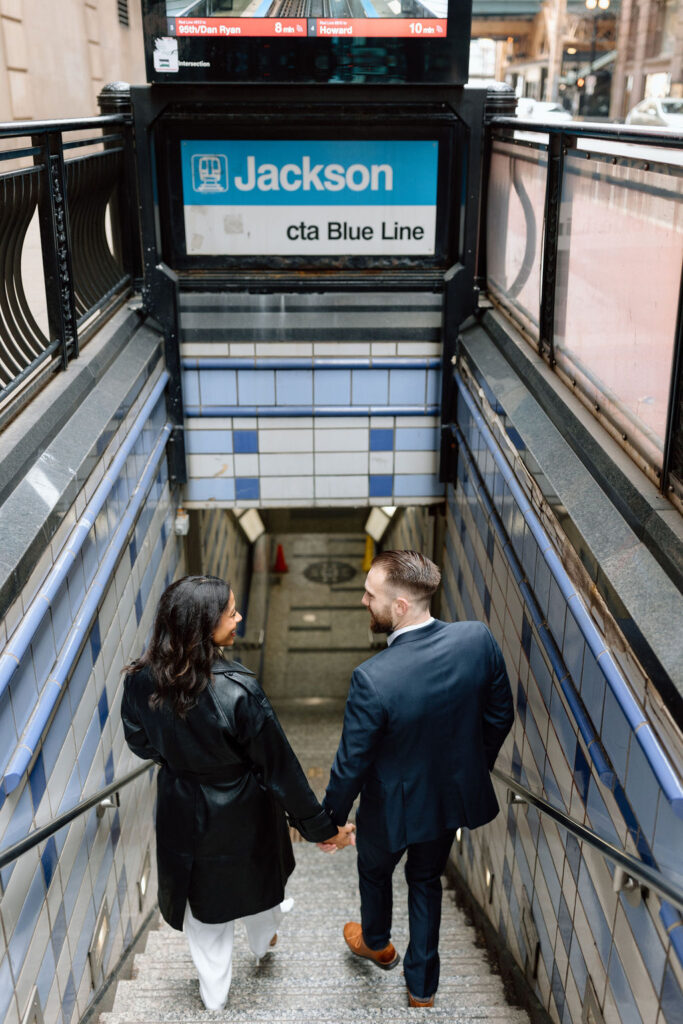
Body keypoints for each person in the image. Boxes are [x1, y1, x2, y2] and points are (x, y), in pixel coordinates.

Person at [121, 575, 354, 1011]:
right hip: (243, 809)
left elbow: (139, 742)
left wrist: (182, 760)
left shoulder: (138, 680)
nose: (239, 617)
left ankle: (214, 999)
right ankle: (264, 944)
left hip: (179, 804)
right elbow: (281, 771)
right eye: (231, 612)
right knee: (259, 883)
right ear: (203, 625)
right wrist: (323, 828)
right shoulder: (238, 690)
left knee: (203, 905)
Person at [321, 550, 514, 1008]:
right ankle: (422, 989)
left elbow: (352, 763)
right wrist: (467, 770)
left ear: (401, 606)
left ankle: (376, 940)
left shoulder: (372, 678)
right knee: (426, 880)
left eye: (371, 595)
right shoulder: (477, 640)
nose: (363, 600)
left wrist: (329, 820)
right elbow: (500, 715)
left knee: (374, 869)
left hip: (389, 808)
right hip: (447, 802)